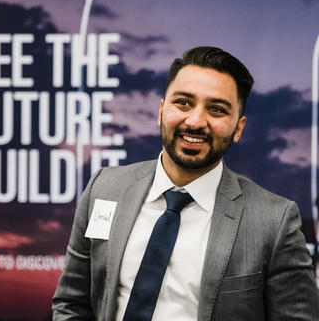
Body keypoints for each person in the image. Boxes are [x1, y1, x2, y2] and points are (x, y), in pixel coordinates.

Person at [52, 46, 319, 321]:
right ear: (161, 110)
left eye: (216, 109)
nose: (195, 121)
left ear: (238, 128)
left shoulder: (274, 221)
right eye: (183, 102)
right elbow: (71, 302)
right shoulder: (104, 189)